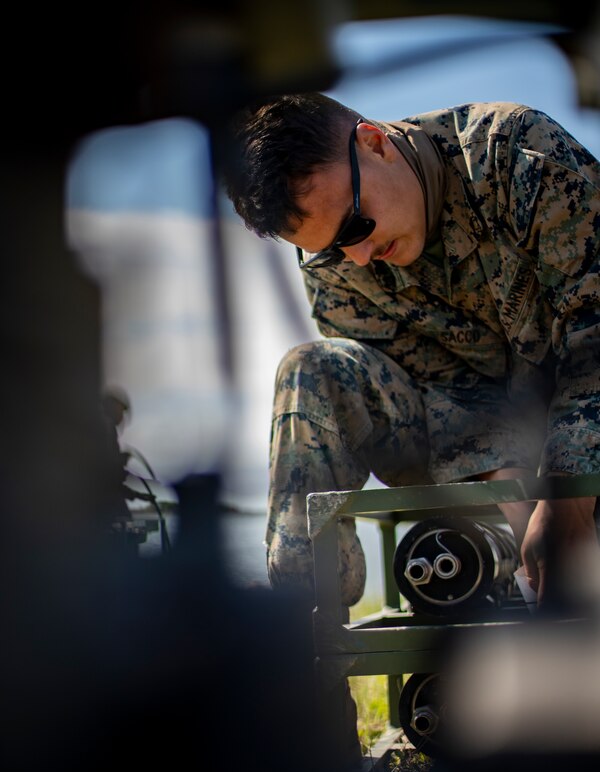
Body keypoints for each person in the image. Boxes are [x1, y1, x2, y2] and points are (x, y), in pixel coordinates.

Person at [224, 92, 600, 617]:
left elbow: (594, 329)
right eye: (330, 248)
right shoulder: (340, 276)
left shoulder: (514, 155)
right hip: (484, 464)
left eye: (355, 225)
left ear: (375, 144)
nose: (357, 258)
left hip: (586, 440)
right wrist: (522, 509)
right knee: (310, 372)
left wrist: (569, 498)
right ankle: (303, 646)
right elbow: (448, 395)